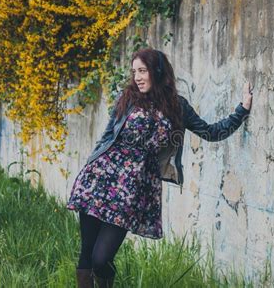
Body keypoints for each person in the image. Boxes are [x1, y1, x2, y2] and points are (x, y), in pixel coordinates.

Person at [65, 48, 253, 288]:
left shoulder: (177, 107)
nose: (137, 77)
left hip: (131, 191)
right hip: (98, 180)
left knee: (101, 259)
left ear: (157, 71)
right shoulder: (128, 98)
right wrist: (89, 166)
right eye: (134, 72)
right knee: (87, 254)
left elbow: (211, 132)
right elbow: (107, 137)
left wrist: (242, 110)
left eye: (142, 71)